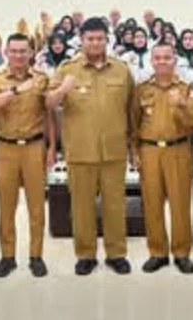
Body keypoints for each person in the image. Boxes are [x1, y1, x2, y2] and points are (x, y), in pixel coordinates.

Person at [46, 17, 134, 276]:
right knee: (82, 207)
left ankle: (116, 253)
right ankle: (85, 254)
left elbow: (132, 109)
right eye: (90, 39)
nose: (95, 43)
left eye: (100, 38)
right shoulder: (67, 69)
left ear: (107, 40)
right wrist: (63, 89)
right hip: (80, 151)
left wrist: (133, 147)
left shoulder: (121, 70)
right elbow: (48, 103)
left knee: (115, 205)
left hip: (113, 150)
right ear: (81, 41)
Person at [0, 35, 55, 278]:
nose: (18, 56)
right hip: (6, 149)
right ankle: (7, 256)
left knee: (37, 206)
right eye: (13, 51)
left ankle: (36, 256)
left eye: (23, 51)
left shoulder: (41, 79)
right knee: (7, 206)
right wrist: (15, 91)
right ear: (5, 52)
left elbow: (48, 115)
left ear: (31, 53)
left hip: (35, 147)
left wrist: (51, 147)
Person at [131, 43, 193, 275]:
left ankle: (182, 253)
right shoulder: (142, 89)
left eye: (167, 57)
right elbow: (133, 122)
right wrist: (134, 152)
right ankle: (157, 252)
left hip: (178, 150)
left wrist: (182, 105)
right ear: (151, 61)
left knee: (180, 204)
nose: (162, 61)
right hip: (149, 151)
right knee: (152, 203)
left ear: (175, 60)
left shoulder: (186, 88)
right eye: (158, 58)